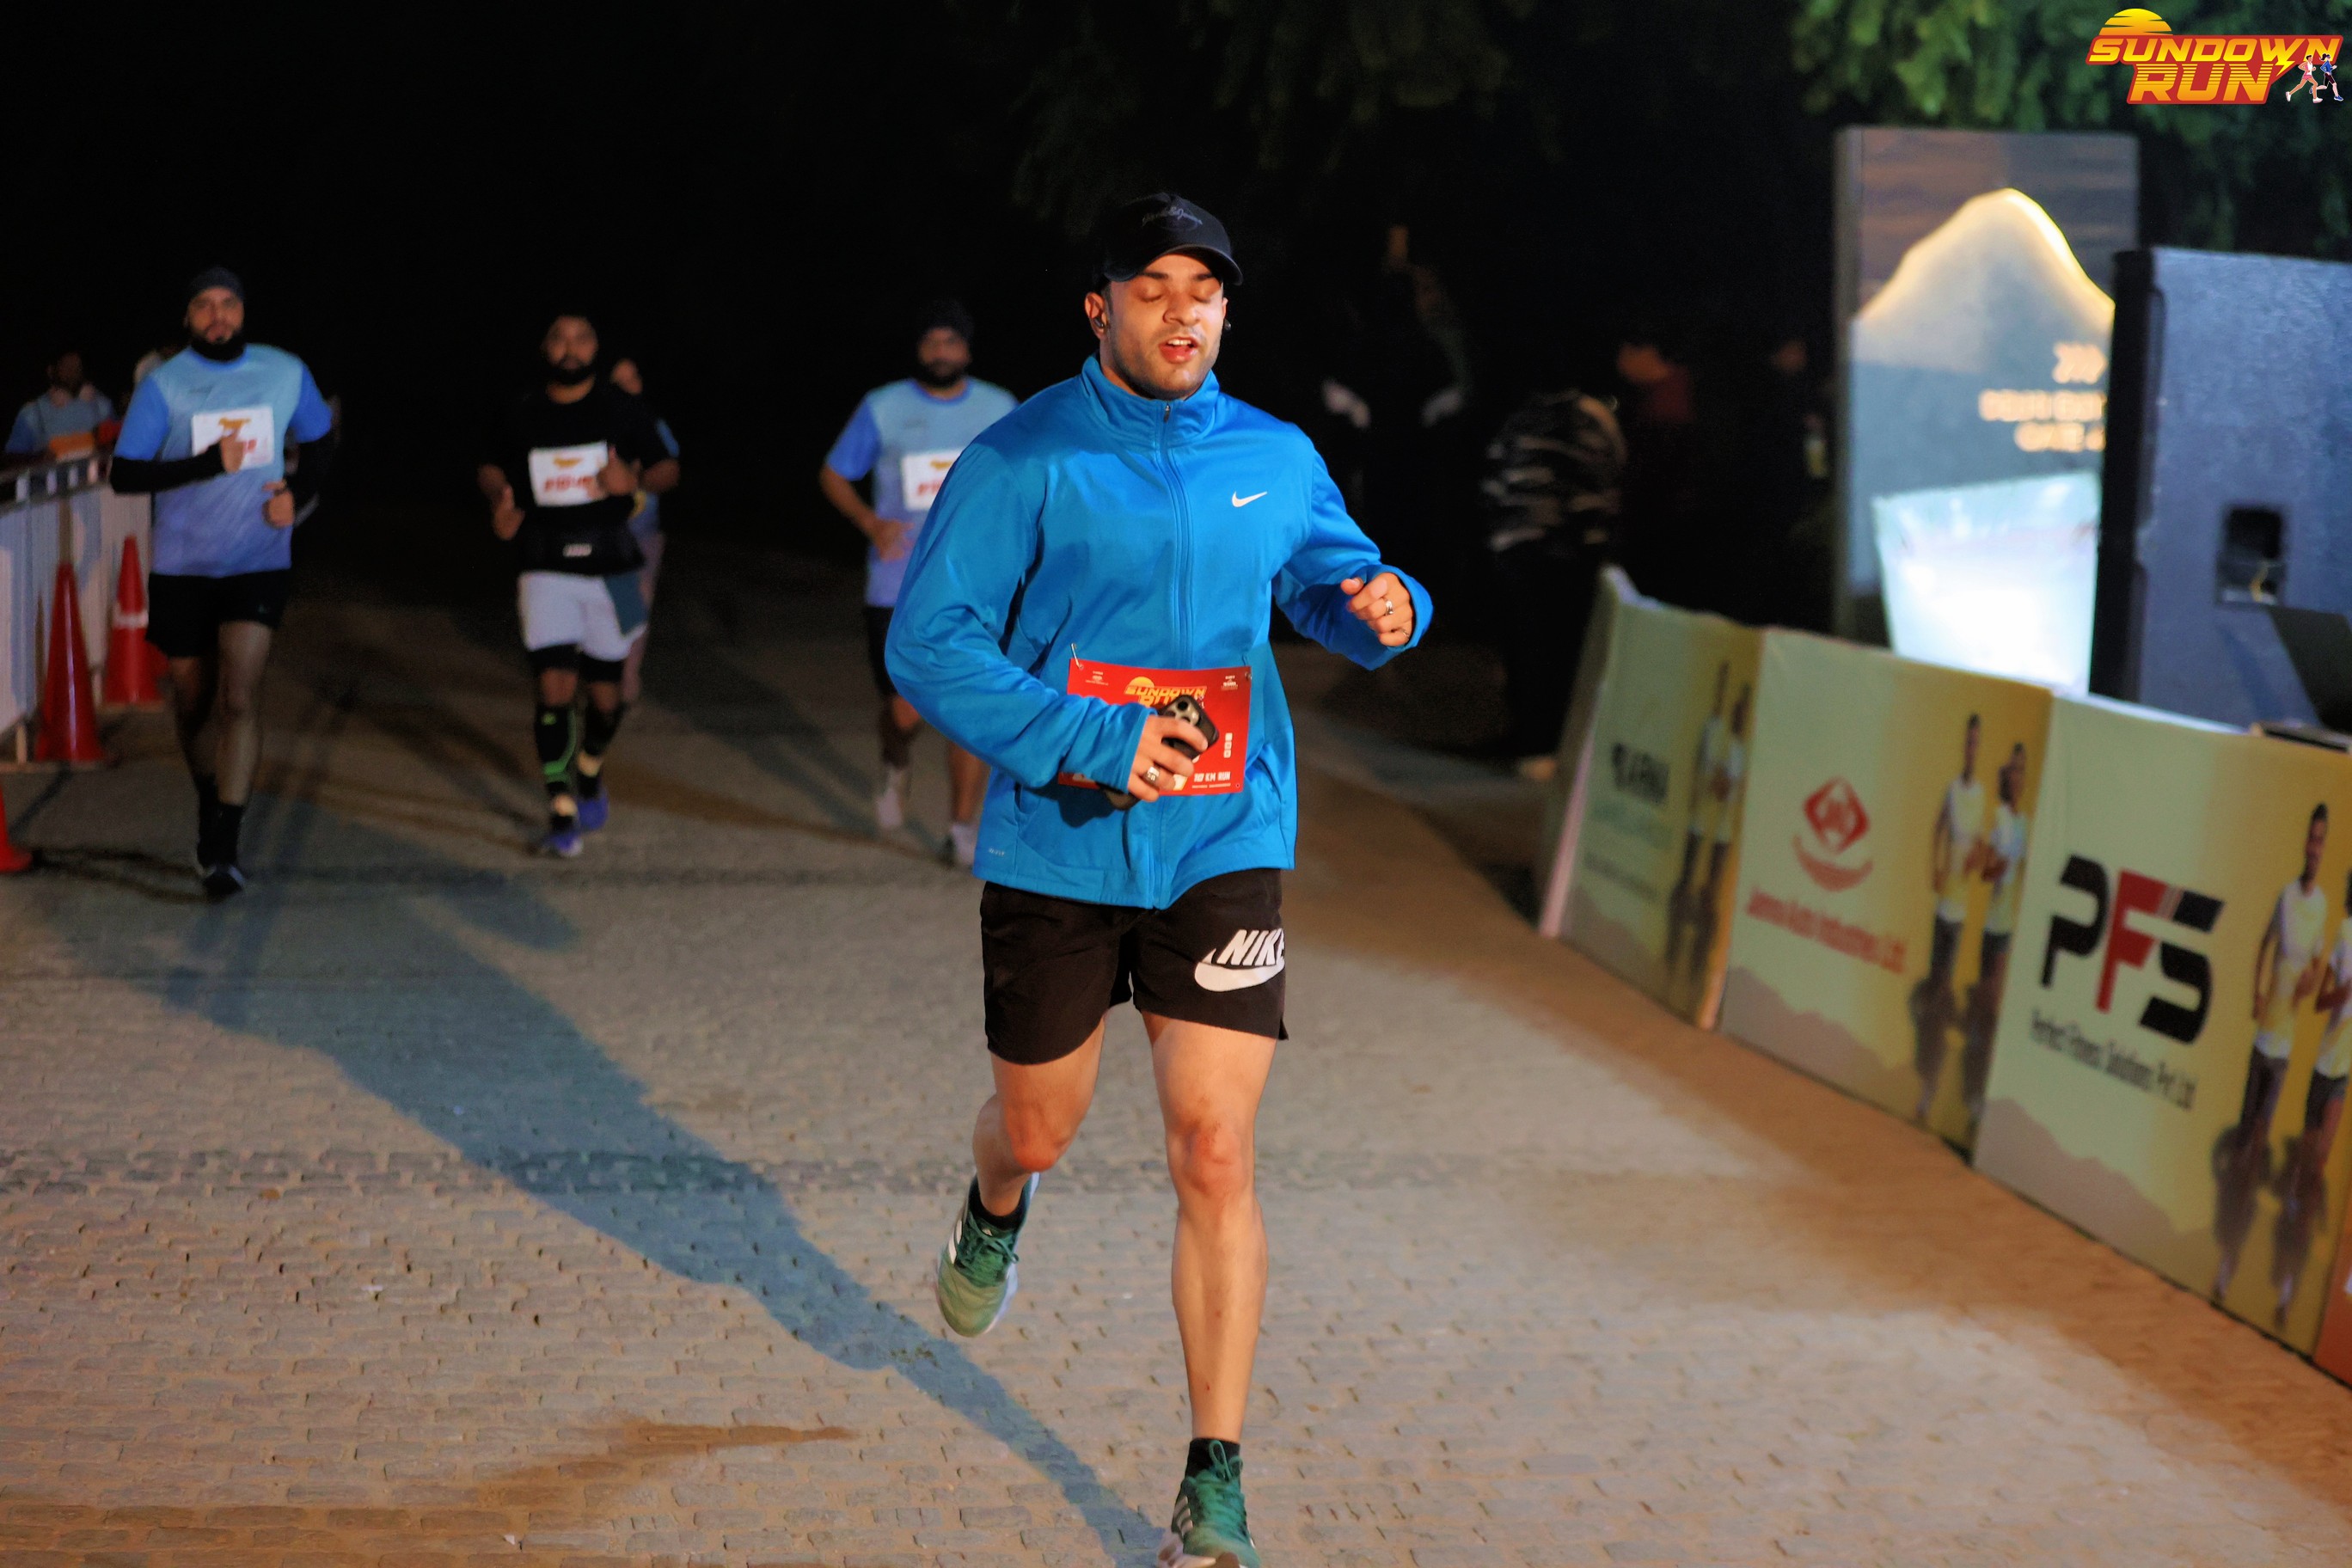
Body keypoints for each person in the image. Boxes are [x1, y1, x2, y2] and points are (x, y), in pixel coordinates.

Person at [886, 193, 1430, 1568]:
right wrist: (1093, 740)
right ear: (1100, 309)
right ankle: (995, 1206)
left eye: (1206, 289)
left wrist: (1388, 608)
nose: (1183, 311)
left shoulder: (1275, 454)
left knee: (1215, 1146)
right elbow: (930, 644)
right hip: (1060, 842)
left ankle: (1215, 1477)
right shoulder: (1024, 458)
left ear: (1228, 310)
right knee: (1040, 1129)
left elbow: (1330, 584)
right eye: (1153, 287)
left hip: (1222, 839)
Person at [107, 268, 336, 897]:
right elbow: (125, 475)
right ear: (188, 317)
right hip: (183, 565)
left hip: (258, 558)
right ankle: (210, 798)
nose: (218, 315)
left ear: (243, 311)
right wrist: (206, 463)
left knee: (239, 696)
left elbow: (321, 442)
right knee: (193, 701)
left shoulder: (284, 371)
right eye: (204, 305)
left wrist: (297, 494)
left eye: (228, 303)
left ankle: (225, 846)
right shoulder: (165, 385)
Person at [819, 300, 1016, 867]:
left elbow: (1028, 476)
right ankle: (895, 759)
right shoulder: (883, 407)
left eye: (951, 341)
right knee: (905, 712)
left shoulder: (1000, 407)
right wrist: (870, 522)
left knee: (970, 713)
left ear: (968, 349)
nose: (941, 351)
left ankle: (960, 830)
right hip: (898, 583)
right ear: (918, 349)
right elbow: (834, 474)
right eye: (932, 341)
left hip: (978, 586)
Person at [478, 314, 679, 857]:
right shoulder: (522, 410)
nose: (569, 348)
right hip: (543, 564)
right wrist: (500, 501)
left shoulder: (621, 408)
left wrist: (633, 479)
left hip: (614, 566)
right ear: (544, 348)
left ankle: (589, 768)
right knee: (554, 688)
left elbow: (668, 469)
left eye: (581, 338)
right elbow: (490, 467)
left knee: (609, 698)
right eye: (558, 338)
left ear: (596, 348)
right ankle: (561, 807)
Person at [2215, 803, 2331, 1299]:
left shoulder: (2322, 907)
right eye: (2311, 838)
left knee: (2259, 1142)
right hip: (2262, 1038)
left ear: (2324, 848)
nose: (2314, 847)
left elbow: (2319, 965)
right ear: (2304, 843)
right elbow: (2264, 944)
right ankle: (2227, 1245)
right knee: (2244, 1140)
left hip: (2283, 1050)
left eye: (2321, 840)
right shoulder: (2286, 895)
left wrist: (2311, 982)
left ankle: (2232, 1257)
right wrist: (2256, 992)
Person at [1479, 383, 1626, 774]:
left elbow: (1493, 483)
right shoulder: (1594, 418)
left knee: (1527, 648)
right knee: (1569, 650)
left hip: (1520, 550)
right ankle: (1563, 743)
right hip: (1576, 552)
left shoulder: (1520, 419)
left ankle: (1533, 742)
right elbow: (1612, 478)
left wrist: (1498, 540)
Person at [1913, 714, 1987, 1122]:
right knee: (1932, 987)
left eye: (1976, 743)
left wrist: (1975, 859)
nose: (1971, 749)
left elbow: (1981, 849)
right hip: (1942, 906)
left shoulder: (1981, 795)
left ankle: (1933, 1086)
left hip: (1960, 912)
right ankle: (1927, 1077)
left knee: (1942, 993)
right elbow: (1938, 829)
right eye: (1968, 742)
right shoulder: (1953, 789)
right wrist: (1937, 868)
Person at [1963, 743, 2029, 1130]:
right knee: (1987, 1013)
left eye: (2022, 770)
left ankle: (1984, 1098)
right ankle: (1975, 1099)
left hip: (2013, 930)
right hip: (1993, 929)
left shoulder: (2026, 823)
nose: (2018, 776)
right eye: (2013, 769)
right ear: (2006, 776)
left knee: (1994, 1015)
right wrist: (1995, 867)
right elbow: (1985, 871)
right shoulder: (1999, 817)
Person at [605, 357, 679, 705]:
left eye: (633, 377)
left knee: (637, 609)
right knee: (601, 609)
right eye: (618, 381)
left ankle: (627, 680)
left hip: (643, 532)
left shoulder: (654, 425)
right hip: (602, 534)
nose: (628, 386)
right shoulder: (595, 425)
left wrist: (638, 477)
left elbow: (668, 471)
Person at [1663, 665, 1730, 972]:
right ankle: (1672, 950)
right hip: (1697, 823)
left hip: (1717, 830)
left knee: (1708, 895)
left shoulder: (1729, 741)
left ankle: (1698, 964)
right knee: (1685, 883)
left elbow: (1723, 785)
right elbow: (1696, 769)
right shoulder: (1708, 729)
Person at [1687, 683, 1749, 986]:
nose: (1739, 718)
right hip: (1706, 827)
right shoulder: (1723, 743)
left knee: (1713, 890)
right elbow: (1717, 785)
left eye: (1743, 714)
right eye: (1737, 712)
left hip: (1724, 837)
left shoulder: (1744, 752)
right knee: (1696, 883)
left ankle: (1704, 960)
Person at [7, 350, 116, 457]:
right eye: (67, 367)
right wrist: (41, 456)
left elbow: (118, 445)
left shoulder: (102, 406)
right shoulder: (32, 413)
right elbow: (13, 457)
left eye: (77, 367)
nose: (73, 373)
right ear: (51, 371)